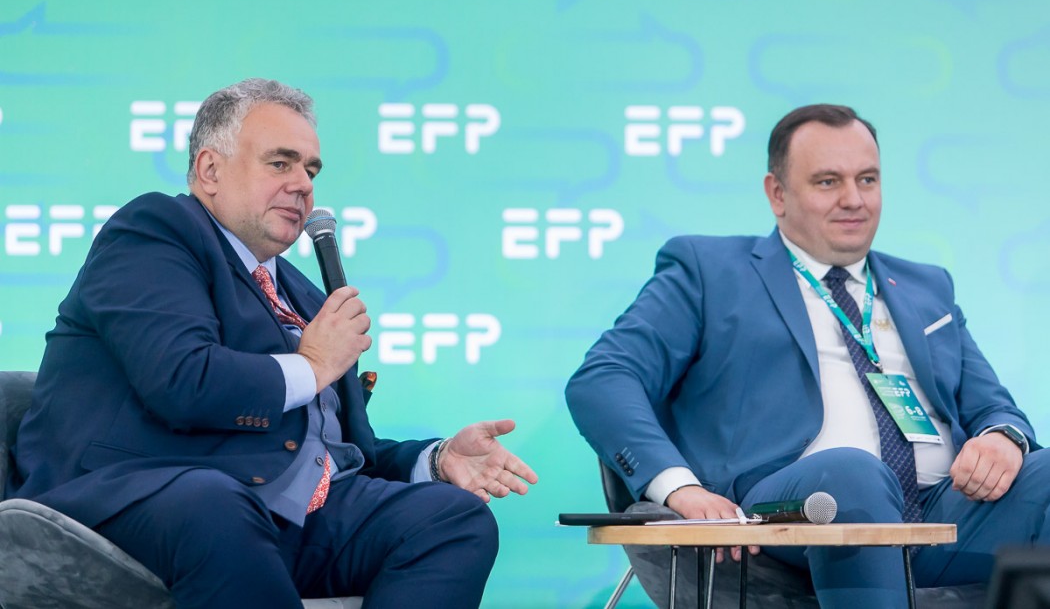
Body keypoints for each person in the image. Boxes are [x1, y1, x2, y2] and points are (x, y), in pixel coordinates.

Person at [13, 78, 538, 609]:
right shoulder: (154, 233)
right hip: (143, 497)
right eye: (280, 163)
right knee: (218, 504)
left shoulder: (303, 293)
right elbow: (184, 381)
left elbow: (335, 450)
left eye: (311, 170)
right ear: (210, 170)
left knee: (452, 519)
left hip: (283, 516)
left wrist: (437, 459)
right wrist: (312, 364)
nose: (303, 185)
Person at [565, 103, 1049, 607]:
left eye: (867, 179)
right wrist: (679, 488)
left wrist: (1002, 438)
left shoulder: (927, 286)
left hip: (946, 509)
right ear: (777, 193)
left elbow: (994, 407)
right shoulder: (709, 272)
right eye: (827, 182)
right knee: (853, 473)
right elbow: (604, 377)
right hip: (797, 506)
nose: (853, 200)